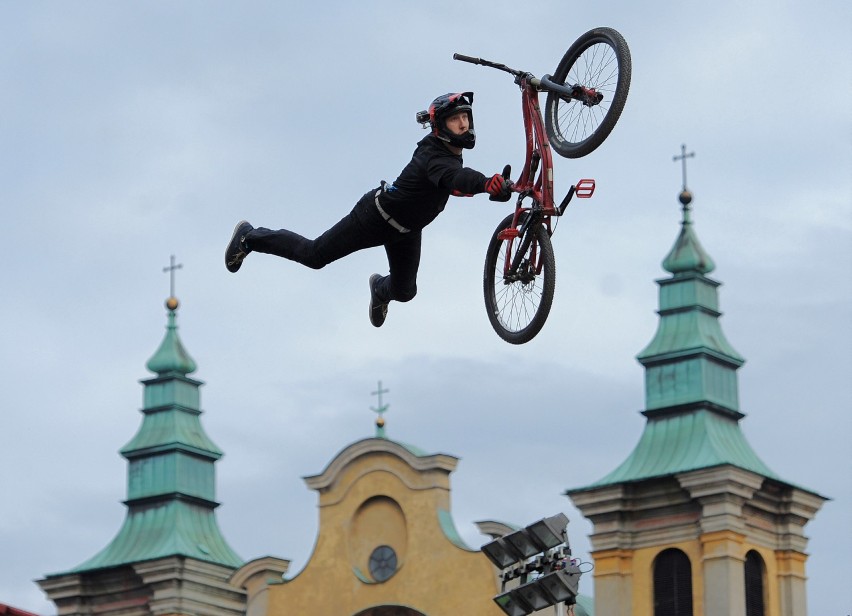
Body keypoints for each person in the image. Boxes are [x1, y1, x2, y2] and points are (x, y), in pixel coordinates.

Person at [225, 91, 512, 327]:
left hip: (407, 231)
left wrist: (502, 188)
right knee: (313, 256)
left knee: (405, 291)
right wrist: (486, 184)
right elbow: (456, 180)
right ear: (441, 126)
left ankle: (379, 290)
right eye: (455, 120)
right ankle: (250, 237)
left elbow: (459, 180)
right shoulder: (433, 156)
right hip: (374, 217)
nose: (463, 124)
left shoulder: (450, 155)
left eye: (465, 117)